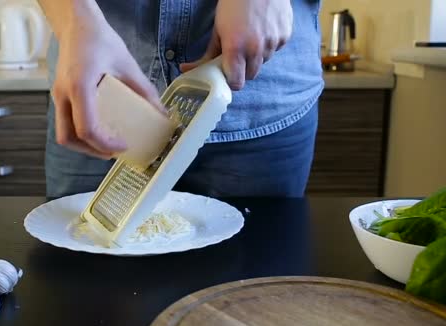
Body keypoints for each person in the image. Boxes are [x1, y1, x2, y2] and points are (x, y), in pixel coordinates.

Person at [37, 0, 324, 198]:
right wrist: (75, 20)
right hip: (99, 92)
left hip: (265, 99)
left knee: (257, 284)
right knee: (84, 281)